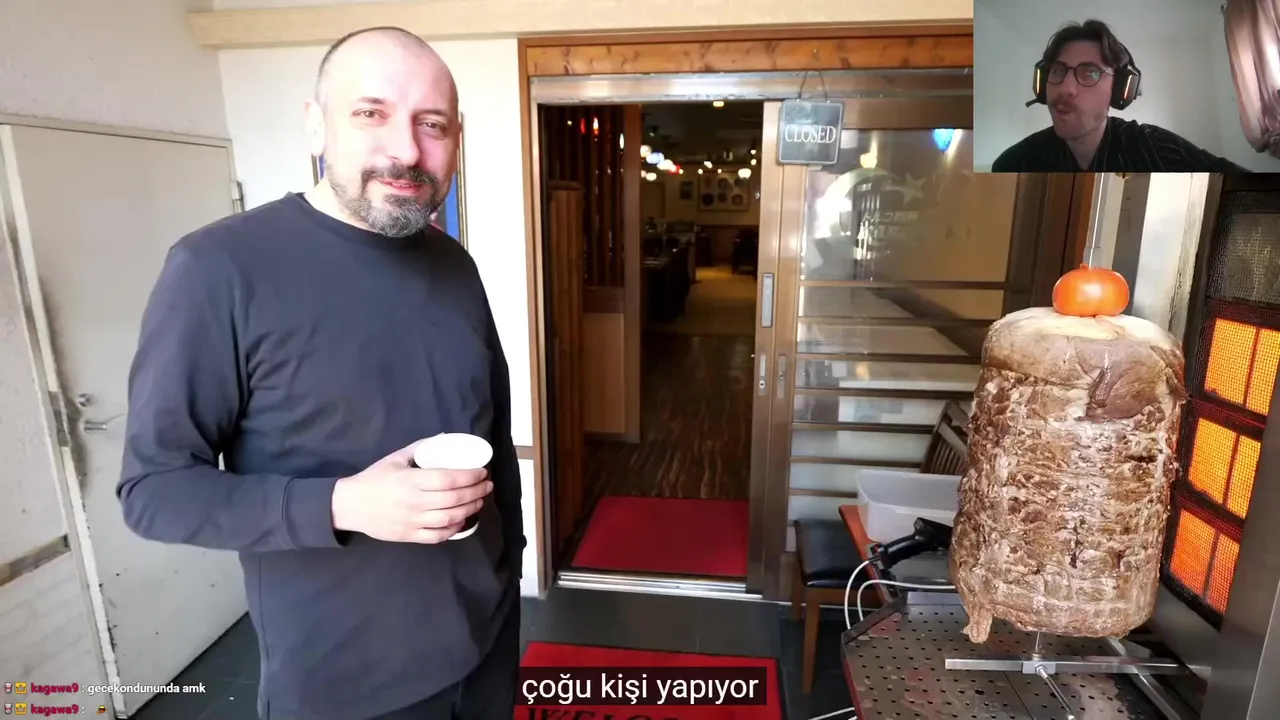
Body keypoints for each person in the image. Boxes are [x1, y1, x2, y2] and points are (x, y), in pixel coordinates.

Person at [117, 26, 524, 720]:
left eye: (432, 124)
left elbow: (494, 430)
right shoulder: (218, 269)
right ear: (317, 126)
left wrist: (508, 566)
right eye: (371, 113)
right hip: (345, 686)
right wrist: (342, 505)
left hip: (487, 643)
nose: (406, 149)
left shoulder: (454, 263)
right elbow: (152, 491)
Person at [991, 19, 1246, 172]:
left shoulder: (1157, 149)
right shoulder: (1014, 163)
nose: (1066, 87)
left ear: (1120, 90)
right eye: (1058, 71)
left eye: (1090, 73)